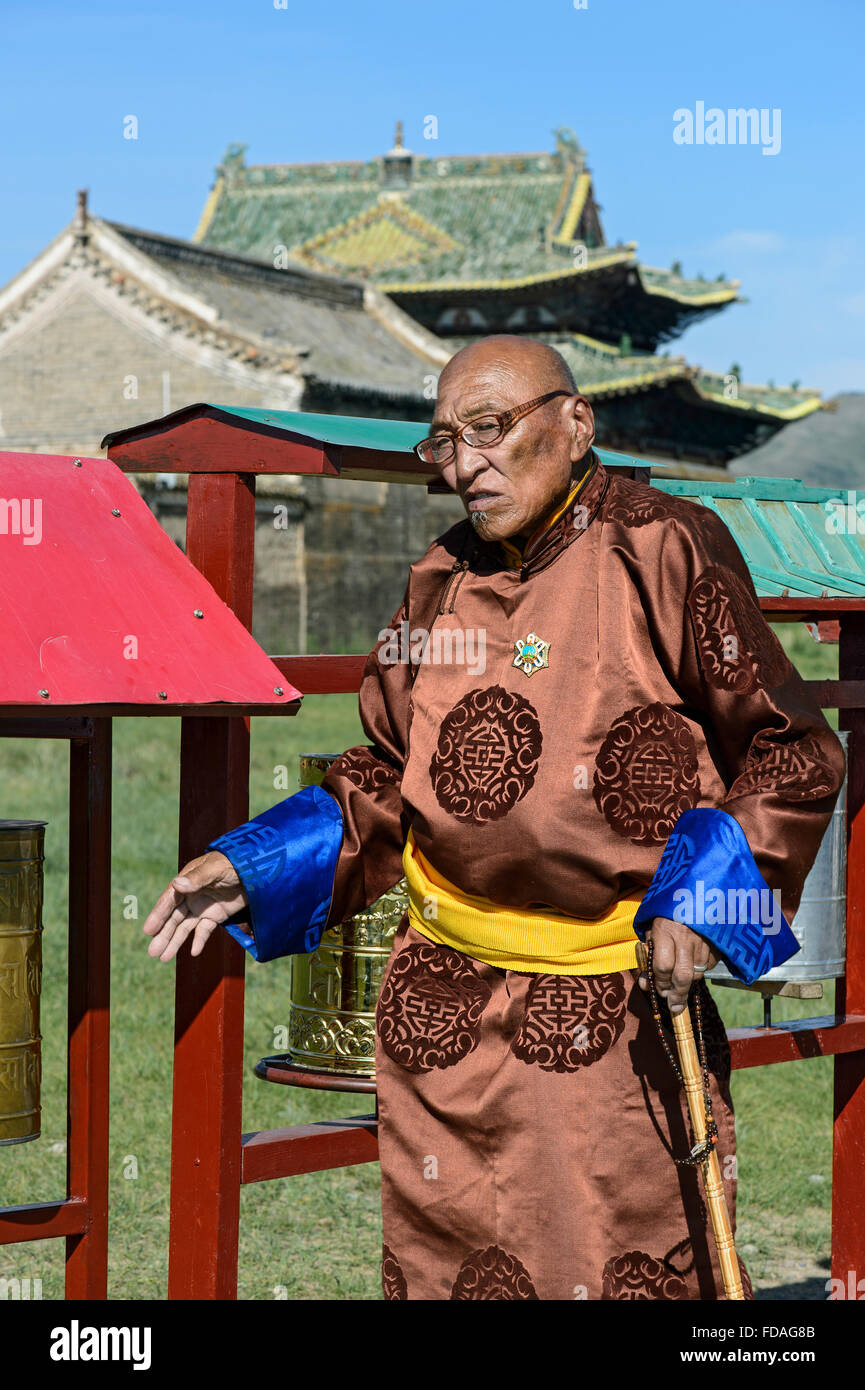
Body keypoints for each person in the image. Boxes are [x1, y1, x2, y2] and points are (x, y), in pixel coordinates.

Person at [143, 335, 845, 1300]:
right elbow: (391, 773)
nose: (465, 462)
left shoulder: (662, 546)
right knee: (449, 1270)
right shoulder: (438, 579)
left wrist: (701, 901)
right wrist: (254, 863)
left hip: (608, 1012)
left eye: (489, 429)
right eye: (444, 440)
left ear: (573, 423)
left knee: (617, 1266)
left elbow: (791, 754)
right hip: (442, 1010)